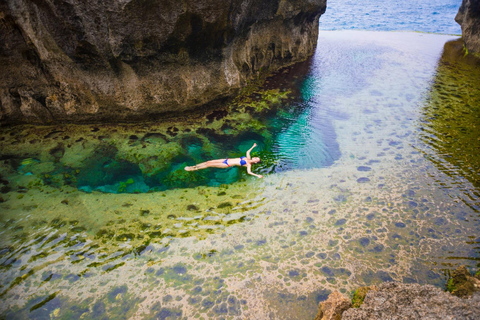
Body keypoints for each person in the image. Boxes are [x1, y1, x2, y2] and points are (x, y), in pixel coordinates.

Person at [185, 143, 263, 178]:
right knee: (208, 162)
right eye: (256, 157)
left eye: (256, 159)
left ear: (255, 162)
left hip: (226, 165)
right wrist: (253, 146)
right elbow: (247, 152)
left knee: (208, 165)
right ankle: (194, 166)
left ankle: (194, 169)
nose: (255, 157)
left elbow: (249, 172)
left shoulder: (248, 164)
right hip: (226, 160)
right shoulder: (248, 158)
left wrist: (257, 175)